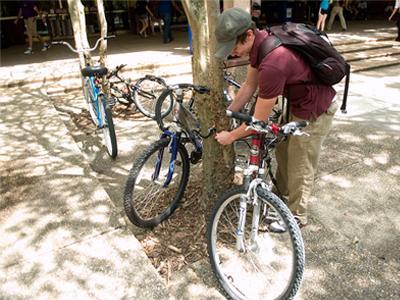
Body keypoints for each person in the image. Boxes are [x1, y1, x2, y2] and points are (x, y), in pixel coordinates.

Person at [214, 8, 338, 228]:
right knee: (283, 151)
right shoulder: (260, 46)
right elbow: (249, 85)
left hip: (315, 108)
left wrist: (231, 136)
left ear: (249, 35)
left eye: (234, 46)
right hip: (296, 104)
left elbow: (258, 124)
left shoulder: (273, 62)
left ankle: (297, 217)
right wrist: (228, 112)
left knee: (300, 162)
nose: (231, 52)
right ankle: (279, 200)